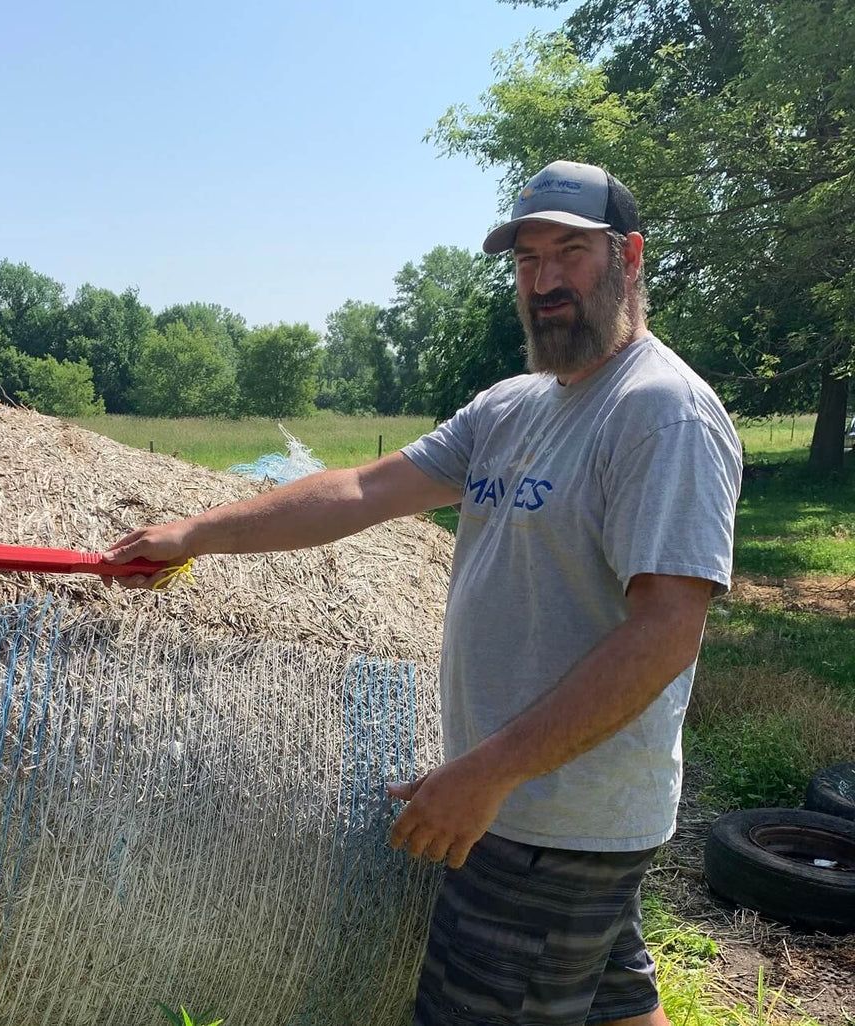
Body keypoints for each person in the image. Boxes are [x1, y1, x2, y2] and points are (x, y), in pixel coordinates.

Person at [104, 159, 742, 1026]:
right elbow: (364, 489)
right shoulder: (516, 405)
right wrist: (197, 533)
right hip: (546, 808)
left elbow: (668, 631)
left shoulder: (660, 413)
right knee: (612, 1002)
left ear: (627, 257)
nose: (545, 280)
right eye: (526, 260)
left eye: (570, 253)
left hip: (551, 820)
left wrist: (488, 774)